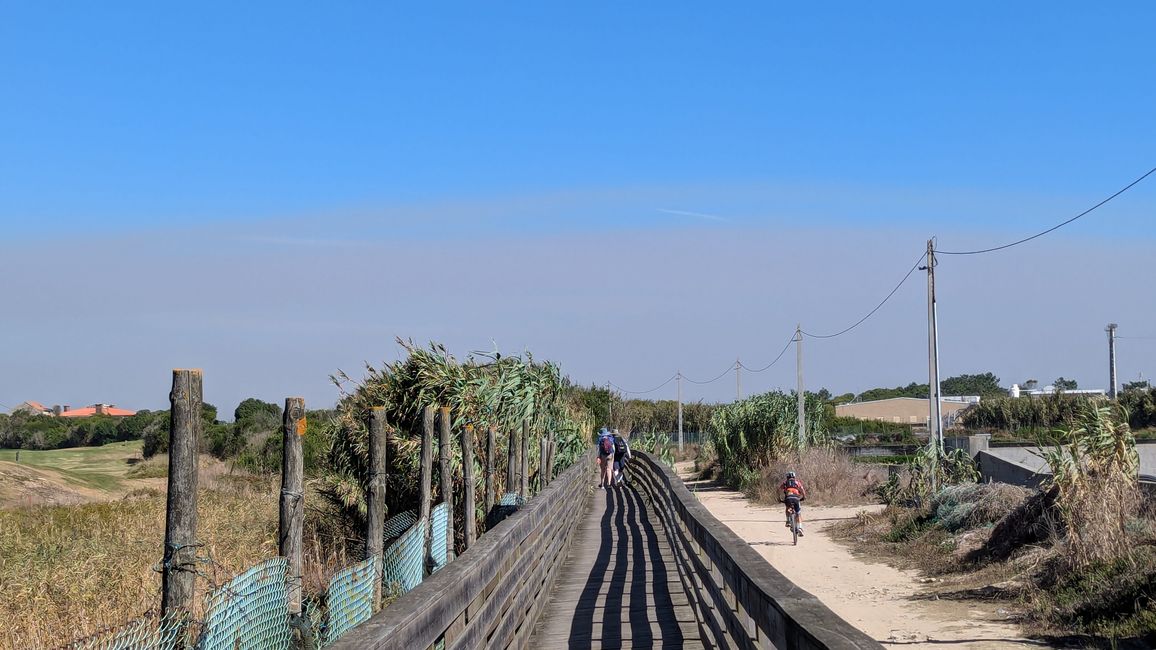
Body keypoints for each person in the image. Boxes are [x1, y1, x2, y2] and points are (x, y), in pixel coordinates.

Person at [780, 471, 806, 536]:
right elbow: (802, 490)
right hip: (796, 498)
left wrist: (779, 498)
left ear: (787, 477)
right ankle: (800, 527)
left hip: (788, 498)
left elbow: (779, 490)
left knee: (787, 508)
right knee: (798, 513)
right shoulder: (797, 482)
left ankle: (788, 520)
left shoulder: (785, 483)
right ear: (794, 477)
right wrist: (804, 497)